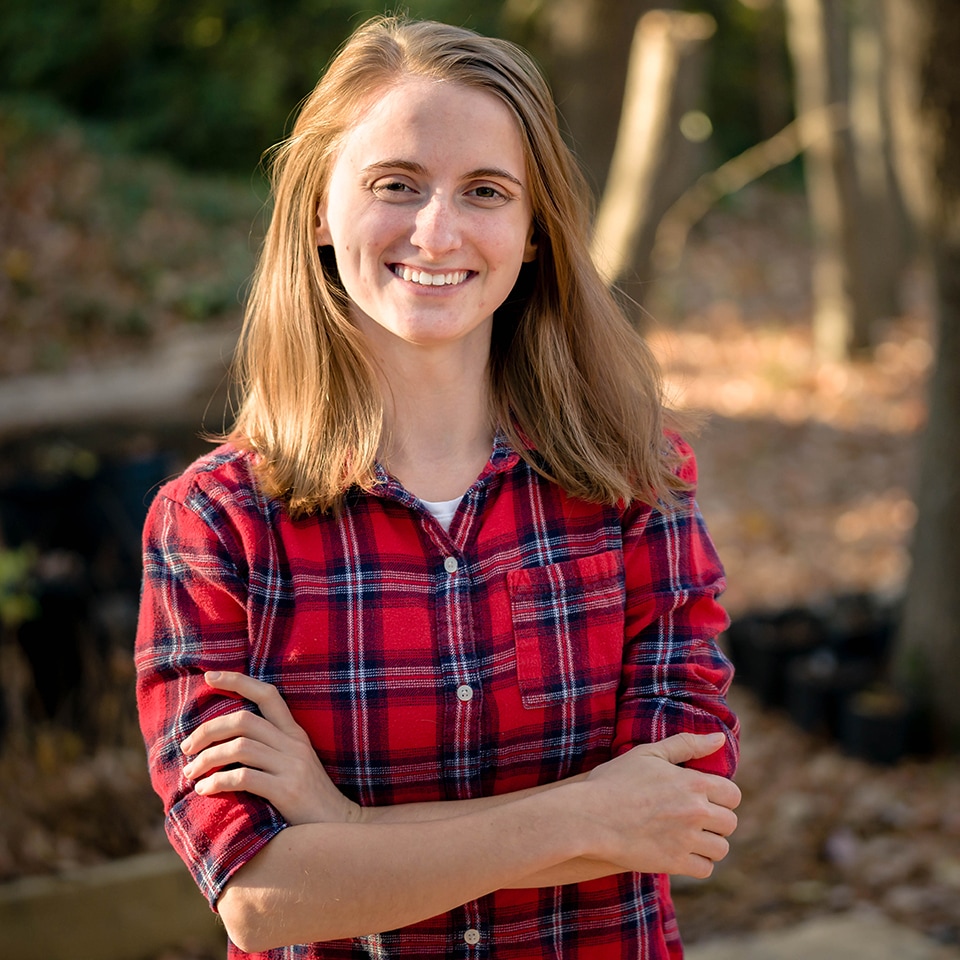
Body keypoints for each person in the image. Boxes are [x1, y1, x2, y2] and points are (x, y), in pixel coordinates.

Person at [135, 15, 740, 960]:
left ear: (534, 233)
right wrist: (589, 814)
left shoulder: (636, 482)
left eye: (485, 191)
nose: (438, 230)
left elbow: (682, 817)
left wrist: (347, 829)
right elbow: (259, 894)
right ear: (319, 212)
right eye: (397, 185)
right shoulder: (215, 524)